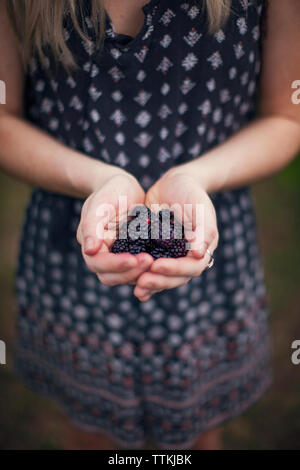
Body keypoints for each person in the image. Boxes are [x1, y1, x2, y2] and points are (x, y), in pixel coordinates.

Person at [0, 0, 299, 450]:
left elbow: (287, 115)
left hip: (204, 239)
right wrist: (100, 179)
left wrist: (194, 177)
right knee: (91, 430)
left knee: (196, 430)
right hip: (75, 242)